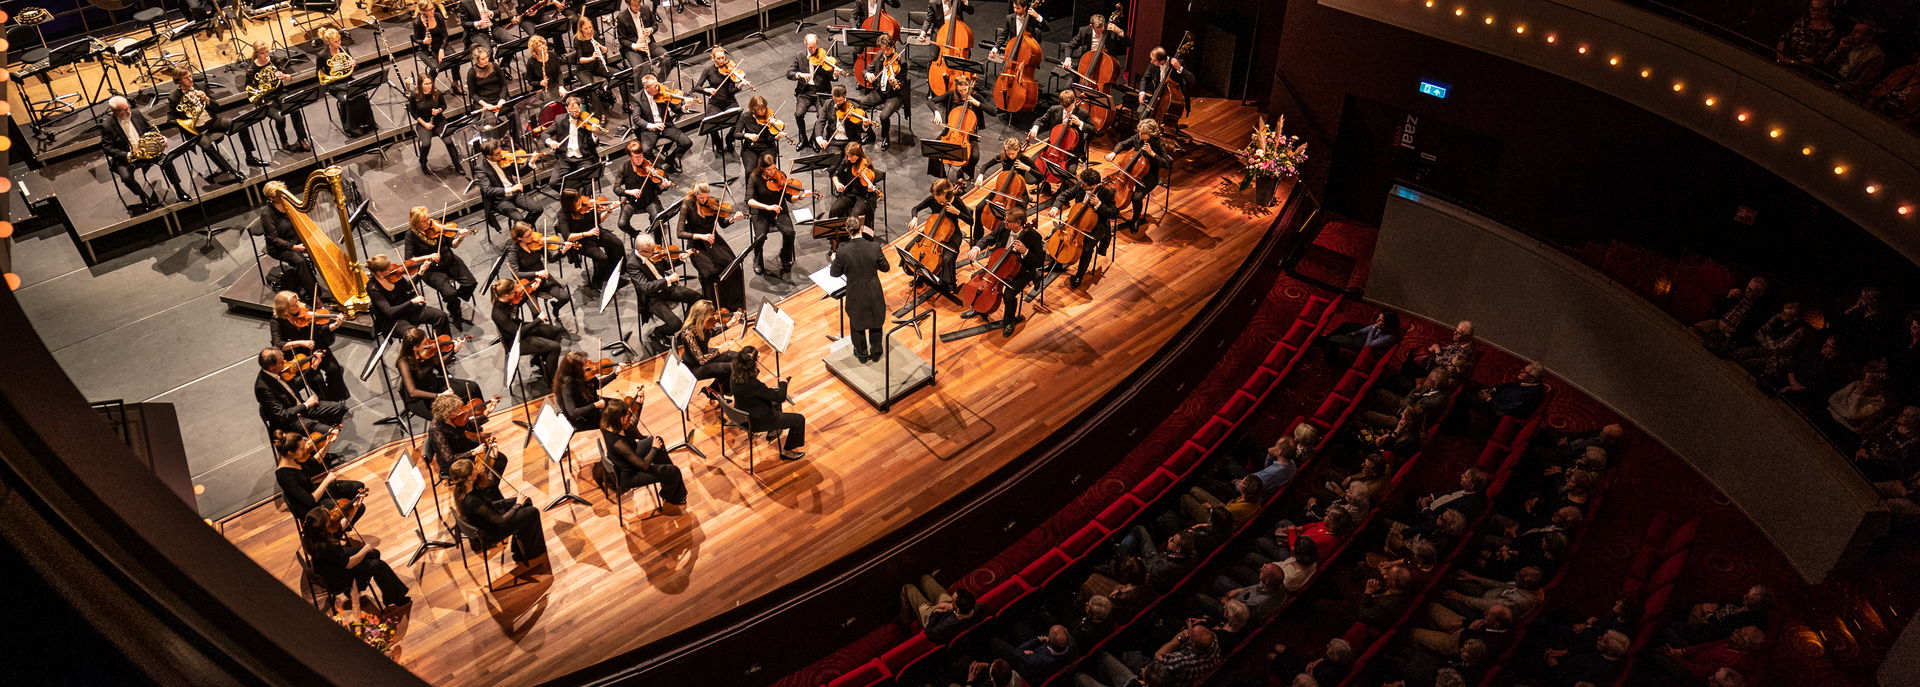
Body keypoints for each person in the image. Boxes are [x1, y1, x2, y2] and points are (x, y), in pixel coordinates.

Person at [299, 506, 411, 607]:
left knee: (374, 553)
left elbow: (339, 528)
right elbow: (348, 564)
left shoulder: (312, 534)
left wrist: (354, 508)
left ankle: (357, 588)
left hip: (333, 564)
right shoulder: (323, 546)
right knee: (378, 565)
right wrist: (365, 549)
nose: (332, 517)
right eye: (329, 518)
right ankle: (395, 598)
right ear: (324, 526)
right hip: (337, 578)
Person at [963, 205, 1047, 337]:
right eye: (1005, 219)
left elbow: (1039, 261)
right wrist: (977, 248)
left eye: (1008, 221)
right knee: (979, 281)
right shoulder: (1004, 227)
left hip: (1021, 271)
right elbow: (989, 238)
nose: (1004, 222)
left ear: (1018, 223)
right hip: (998, 266)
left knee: (1008, 295)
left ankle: (1009, 322)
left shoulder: (1033, 236)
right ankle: (979, 308)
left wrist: (1025, 251)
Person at [449, 457, 549, 564]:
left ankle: (520, 545)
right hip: (491, 532)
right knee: (532, 512)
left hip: (486, 518)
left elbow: (489, 492)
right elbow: (500, 521)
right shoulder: (472, 501)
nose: (476, 470)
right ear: (469, 477)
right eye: (474, 469)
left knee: (527, 501)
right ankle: (530, 552)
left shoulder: (461, 490)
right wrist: (518, 504)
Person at [600, 396, 688, 514]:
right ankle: (672, 495)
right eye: (627, 416)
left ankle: (668, 480)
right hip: (630, 475)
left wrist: (639, 406)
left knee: (657, 440)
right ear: (620, 419)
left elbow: (632, 426)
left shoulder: (608, 425)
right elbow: (644, 466)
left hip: (629, 460)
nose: (629, 418)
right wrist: (654, 448)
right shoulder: (618, 443)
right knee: (674, 471)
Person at [99, 96, 190, 209]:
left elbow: (149, 129)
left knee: (167, 161)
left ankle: (179, 189)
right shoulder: (107, 126)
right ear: (115, 112)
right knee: (126, 177)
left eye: (128, 107)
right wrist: (128, 155)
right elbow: (107, 148)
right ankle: (143, 196)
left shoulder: (135, 113)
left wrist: (161, 138)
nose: (128, 111)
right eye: (124, 110)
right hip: (127, 158)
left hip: (147, 151)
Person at [167, 70, 254, 179]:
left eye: (190, 76)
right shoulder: (174, 97)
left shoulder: (200, 86)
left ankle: (250, 157)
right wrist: (185, 122)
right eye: (186, 78)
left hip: (211, 121)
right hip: (196, 130)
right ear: (178, 80)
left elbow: (216, 107)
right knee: (206, 145)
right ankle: (229, 170)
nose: (190, 79)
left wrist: (207, 99)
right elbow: (170, 120)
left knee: (240, 123)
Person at [1046, 166, 1122, 289]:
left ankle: (1079, 276)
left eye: (1085, 185)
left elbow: (1114, 213)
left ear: (1094, 185)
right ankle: (1055, 263)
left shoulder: (1106, 193)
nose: (1082, 186)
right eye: (1082, 182)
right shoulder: (1080, 186)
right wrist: (1055, 207)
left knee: (1086, 249)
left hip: (1096, 227)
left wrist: (1099, 205)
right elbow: (1064, 195)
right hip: (1076, 222)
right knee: (1057, 233)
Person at [624, 234, 703, 351]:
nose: (655, 252)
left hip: (667, 288)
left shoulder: (652, 253)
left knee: (697, 298)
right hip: (653, 298)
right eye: (651, 251)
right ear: (641, 251)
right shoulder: (632, 264)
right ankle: (657, 333)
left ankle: (687, 328)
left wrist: (680, 258)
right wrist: (667, 279)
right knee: (675, 324)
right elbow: (646, 287)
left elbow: (664, 263)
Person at [678, 182, 749, 311]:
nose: (704, 201)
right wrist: (701, 236)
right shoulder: (687, 205)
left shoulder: (713, 202)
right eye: (701, 198)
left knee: (733, 267)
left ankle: (733, 305)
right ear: (695, 195)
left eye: (706, 197)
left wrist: (734, 219)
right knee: (711, 274)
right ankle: (715, 308)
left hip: (713, 240)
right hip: (697, 246)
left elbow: (723, 224)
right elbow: (680, 232)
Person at [269, 291, 351, 402]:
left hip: (316, 347)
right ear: (285, 309)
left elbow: (321, 329)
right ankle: (327, 402)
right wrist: (302, 342)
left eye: (297, 301)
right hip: (298, 356)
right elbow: (278, 344)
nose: (298, 305)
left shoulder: (305, 309)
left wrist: (336, 325)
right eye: (293, 305)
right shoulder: (276, 321)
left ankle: (336, 399)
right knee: (316, 379)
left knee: (334, 369)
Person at [404, 207, 478, 326]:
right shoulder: (410, 235)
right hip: (431, 270)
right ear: (416, 223)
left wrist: (461, 237)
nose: (429, 222)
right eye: (424, 221)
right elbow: (409, 260)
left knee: (471, 283)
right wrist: (429, 256)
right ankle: (454, 310)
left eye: (428, 218)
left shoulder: (436, 225)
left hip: (450, 261)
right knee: (449, 294)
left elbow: (453, 245)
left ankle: (454, 299)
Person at [731, 345, 808, 460]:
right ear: (753, 362)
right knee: (799, 419)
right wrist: (784, 383)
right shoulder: (753, 384)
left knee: (773, 394)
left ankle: (773, 431)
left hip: (741, 414)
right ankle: (787, 451)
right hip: (756, 421)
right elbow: (780, 397)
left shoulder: (734, 375)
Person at [273, 428, 363, 525]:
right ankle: (335, 529)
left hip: (316, 492)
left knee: (358, 487)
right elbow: (310, 501)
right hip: (312, 509)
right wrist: (326, 481)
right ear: (290, 452)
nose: (306, 449)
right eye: (302, 448)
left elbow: (314, 462)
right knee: (358, 508)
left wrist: (328, 442)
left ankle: (342, 517)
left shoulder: (295, 458)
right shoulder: (284, 476)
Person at [833, 222, 893, 363]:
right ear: (861, 228)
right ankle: (877, 352)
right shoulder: (874, 246)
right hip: (873, 290)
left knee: (856, 322)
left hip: (855, 291)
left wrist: (834, 261)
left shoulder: (842, 251)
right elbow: (886, 268)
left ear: (848, 230)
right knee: (876, 321)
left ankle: (862, 354)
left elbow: (835, 273)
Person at [256, 347, 350, 434]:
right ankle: (318, 445)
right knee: (328, 432)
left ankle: (321, 433)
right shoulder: (263, 388)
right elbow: (282, 416)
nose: (285, 362)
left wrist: (313, 367)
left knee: (340, 408)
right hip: (291, 421)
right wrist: (306, 404)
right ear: (271, 367)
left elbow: (296, 386)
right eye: (281, 362)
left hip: (302, 408)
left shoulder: (278, 372)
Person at [395, 326, 482, 419]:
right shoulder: (403, 363)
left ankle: (481, 416)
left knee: (473, 387)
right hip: (420, 398)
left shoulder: (426, 353)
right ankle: (463, 425)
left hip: (435, 384)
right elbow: (413, 392)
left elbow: (438, 362)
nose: (428, 345)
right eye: (424, 343)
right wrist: (440, 395)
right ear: (415, 348)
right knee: (443, 418)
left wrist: (454, 351)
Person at [1105, 118, 1174, 233]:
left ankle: (1135, 220)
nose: (1140, 134)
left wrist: (1152, 154)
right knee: (1110, 184)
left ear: (1151, 134)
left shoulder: (1158, 143)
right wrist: (1114, 152)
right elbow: (1123, 143)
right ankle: (1112, 209)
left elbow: (1166, 163)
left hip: (1149, 176)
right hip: (1131, 171)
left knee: (1136, 197)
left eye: (1143, 133)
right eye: (1139, 132)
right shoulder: (1138, 136)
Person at [490, 278, 568, 378]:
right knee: (556, 347)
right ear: (506, 295)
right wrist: (538, 320)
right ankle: (552, 379)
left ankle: (541, 359)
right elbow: (518, 333)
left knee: (554, 331)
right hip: (515, 341)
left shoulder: (509, 300)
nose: (517, 291)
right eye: (514, 291)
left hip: (521, 328)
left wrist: (532, 288)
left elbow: (517, 304)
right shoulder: (498, 313)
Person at [908, 178, 975, 290]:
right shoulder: (933, 199)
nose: (937, 201)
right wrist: (914, 218)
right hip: (931, 233)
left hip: (952, 235)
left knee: (947, 258)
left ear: (947, 195)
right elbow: (916, 208)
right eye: (937, 199)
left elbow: (971, 221)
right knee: (909, 248)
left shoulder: (957, 202)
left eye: (941, 201)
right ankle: (921, 275)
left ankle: (947, 284)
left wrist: (957, 212)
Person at [245, 41, 312, 153]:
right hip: (266, 99)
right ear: (256, 53)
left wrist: (284, 76)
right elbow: (248, 87)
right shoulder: (251, 69)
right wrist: (259, 91)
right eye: (262, 53)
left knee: (295, 109)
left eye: (267, 51)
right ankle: (284, 140)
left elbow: (290, 78)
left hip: (280, 93)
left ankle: (302, 138)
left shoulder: (274, 60)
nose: (266, 55)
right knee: (280, 118)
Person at [557, 188, 626, 292]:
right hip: (580, 240)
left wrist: (609, 210)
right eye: (577, 200)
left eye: (579, 198)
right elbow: (567, 236)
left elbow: (598, 220)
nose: (581, 200)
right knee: (602, 258)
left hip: (595, 232)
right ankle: (598, 282)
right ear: (570, 203)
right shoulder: (563, 214)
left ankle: (614, 273)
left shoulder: (587, 206)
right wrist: (586, 234)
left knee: (617, 244)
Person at [746, 154, 802, 276]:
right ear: (761, 168)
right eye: (769, 170)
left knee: (789, 233)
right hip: (761, 211)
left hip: (779, 209)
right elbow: (749, 200)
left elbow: (789, 197)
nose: (772, 172)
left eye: (774, 168)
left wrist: (800, 196)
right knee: (760, 237)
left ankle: (785, 257)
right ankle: (757, 259)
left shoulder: (780, 175)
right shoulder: (754, 177)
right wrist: (767, 207)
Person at [365, 254, 452, 334]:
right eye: (388, 269)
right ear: (380, 273)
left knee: (441, 316)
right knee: (415, 336)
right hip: (394, 320)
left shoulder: (394, 274)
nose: (391, 269)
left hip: (408, 310)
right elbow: (389, 312)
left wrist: (420, 273)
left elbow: (408, 287)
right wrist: (412, 301)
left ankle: (441, 347)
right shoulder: (373, 288)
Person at [426, 392, 505, 478]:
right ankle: (483, 486)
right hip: (455, 463)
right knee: (485, 473)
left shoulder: (455, 418)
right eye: (457, 410)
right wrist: (473, 452)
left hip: (465, 446)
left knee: (501, 459)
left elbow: (469, 426)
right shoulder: (436, 429)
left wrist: (486, 413)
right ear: (449, 412)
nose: (460, 411)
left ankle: (490, 485)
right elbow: (449, 458)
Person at [928, 71, 989, 180]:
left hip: (968, 134)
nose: (963, 93)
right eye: (960, 90)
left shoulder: (976, 96)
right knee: (933, 151)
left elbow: (993, 111)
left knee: (975, 156)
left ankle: (963, 171)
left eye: (965, 90)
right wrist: (936, 112)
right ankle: (942, 177)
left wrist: (976, 103)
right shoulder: (952, 94)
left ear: (969, 86)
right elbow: (931, 102)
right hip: (950, 131)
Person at [319, 28, 375, 138]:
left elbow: (356, 68)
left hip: (348, 80)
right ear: (329, 42)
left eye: (339, 40)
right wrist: (331, 77)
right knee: (345, 100)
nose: (339, 43)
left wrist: (354, 64)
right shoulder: (322, 55)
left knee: (362, 94)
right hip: (335, 85)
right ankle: (351, 128)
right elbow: (319, 72)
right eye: (335, 41)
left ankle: (367, 123)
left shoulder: (344, 49)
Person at [677, 300, 740, 397]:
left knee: (739, 358)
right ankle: (719, 391)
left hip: (706, 355)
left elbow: (711, 333)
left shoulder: (703, 324)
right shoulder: (688, 332)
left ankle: (713, 389)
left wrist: (728, 324)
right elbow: (701, 360)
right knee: (734, 367)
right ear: (702, 317)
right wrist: (719, 351)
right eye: (711, 315)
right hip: (695, 367)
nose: (713, 317)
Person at [860, 35, 912, 150]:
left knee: (883, 116)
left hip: (894, 96)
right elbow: (866, 70)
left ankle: (885, 137)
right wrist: (868, 74)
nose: (885, 52)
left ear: (892, 46)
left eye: (886, 49)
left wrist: (895, 83)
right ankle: (869, 134)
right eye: (882, 49)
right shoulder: (880, 55)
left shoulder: (901, 62)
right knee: (861, 105)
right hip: (879, 92)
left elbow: (902, 83)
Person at [634, 74, 694, 173]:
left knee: (687, 142)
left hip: (666, 125)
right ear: (646, 87)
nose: (658, 88)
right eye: (654, 87)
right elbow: (636, 118)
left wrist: (685, 106)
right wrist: (652, 126)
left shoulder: (663, 92)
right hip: (649, 130)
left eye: (658, 85)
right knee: (645, 150)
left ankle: (670, 159)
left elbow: (676, 108)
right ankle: (658, 169)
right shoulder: (637, 98)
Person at [477, 140, 547, 224]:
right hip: (500, 199)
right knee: (519, 218)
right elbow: (488, 190)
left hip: (515, 194)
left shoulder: (505, 158)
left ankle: (524, 231)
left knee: (537, 209)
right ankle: (522, 232)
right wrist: (511, 189)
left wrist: (531, 162)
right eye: (497, 154)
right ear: (488, 156)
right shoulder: (481, 169)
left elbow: (520, 173)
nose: (501, 154)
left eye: (500, 151)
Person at [618, 139, 677, 239]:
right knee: (622, 224)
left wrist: (663, 185)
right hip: (632, 202)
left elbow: (658, 187)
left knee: (657, 221)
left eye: (641, 155)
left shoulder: (651, 164)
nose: (640, 159)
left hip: (650, 200)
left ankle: (658, 245)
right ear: (630, 157)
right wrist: (628, 191)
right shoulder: (624, 167)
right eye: (636, 157)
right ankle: (637, 235)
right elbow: (616, 188)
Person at [788, 34, 838, 152]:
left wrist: (835, 74)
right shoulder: (799, 56)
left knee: (821, 115)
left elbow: (831, 77)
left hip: (821, 92)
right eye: (810, 47)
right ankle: (803, 137)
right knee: (798, 114)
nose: (812, 50)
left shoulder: (824, 56)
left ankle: (815, 138)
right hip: (805, 92)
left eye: (814, 47)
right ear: (805, 44)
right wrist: (799, 75)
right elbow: (789, 73)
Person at [509, 222, 574, 308]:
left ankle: (556, 308)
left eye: (531, 233)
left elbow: (551, 259)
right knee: (536, 313)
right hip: (528, 283)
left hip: (543, 278)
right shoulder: (514, 251)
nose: (532, 237)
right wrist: (536, 273)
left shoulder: (538, 243)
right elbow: (516, 274)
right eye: (527, 236)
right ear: (519, 238)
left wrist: (563, 251)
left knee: (565, 297)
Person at [696, 47, 750, 152]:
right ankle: (719, 144)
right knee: (710, 123)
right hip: (715, 103)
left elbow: (730, 91)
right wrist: (707, 90)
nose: (721, 61)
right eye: (718, 59)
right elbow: (697, 87)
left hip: (729, 101)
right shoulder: (708, 70)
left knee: (740, 121)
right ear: (713, 58)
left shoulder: (730, 69)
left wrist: (739, 87)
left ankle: (729, 139)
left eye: (723, 58)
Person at [408, 75, 463, 176]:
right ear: (420, 85)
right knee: (426, 144)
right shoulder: (414, 96)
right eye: (426, 84)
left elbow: (444, 105)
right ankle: (423, 164)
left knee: (449, 142)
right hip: (424, 124)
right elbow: (413, 113)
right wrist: (425, 124)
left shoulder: (437, 93)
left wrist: (438, 110)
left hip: (439, 122)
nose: (429, 86)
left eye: (430, 83)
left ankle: (457, 165)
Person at [545, 95, 601, 190]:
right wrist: (549, 141)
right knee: (553, 182)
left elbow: (593, 145)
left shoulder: (587, 120)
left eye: (577, 110)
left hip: (584, 158)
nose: (575, 114)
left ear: (580, 107)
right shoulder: (560, 119)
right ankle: (572, 196)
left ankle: (585, 201)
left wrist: (595, 134)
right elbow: (545, 133)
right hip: (565, 159)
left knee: (588, 181)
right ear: (567, 108)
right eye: (571, 111)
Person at [1822, 19, 1887, 97]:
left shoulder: (1875, 55)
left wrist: (1838, 86)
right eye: (1854, 30)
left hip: (1846, 90)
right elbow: (1826, 64)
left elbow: (1863, 82)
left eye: (1858, 32)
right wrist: (1839, 49)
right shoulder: (1848, 43)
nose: (1852, 34)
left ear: (1868, 37)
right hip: (1830, 77)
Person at [831, 141, 884, 234]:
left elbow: (867, 187)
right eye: (847, 156)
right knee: (834, 209)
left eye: (851, 156)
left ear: (858, 155)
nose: (848, 158)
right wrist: (837, 183)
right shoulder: (847, 161)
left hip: (864, 196)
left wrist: (869, 188)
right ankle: (836, 236)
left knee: (853, 218)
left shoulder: (867, 165)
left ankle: (854, 238)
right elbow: (835, 174)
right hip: (850, 193)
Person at [1317, 311, 1400, 367]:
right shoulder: (1382, 326)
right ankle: (1325, 340)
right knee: (1346, 325)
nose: (1377, 320)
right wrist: (1357, 332)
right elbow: (1369, 328)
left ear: (1387, 324)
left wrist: (1374, 329)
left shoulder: (1389, 338)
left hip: (1365, 345)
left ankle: (1332, 359)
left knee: (1333, 339)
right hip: (1368, 336)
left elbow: (1368, 345)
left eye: (1380, 320)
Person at [1135, 46, 1193, 125]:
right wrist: (1142, 93)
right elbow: (1145, 78)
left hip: (1172, 99)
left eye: (1154, 60)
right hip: (1158, 96)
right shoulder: (1153, 65)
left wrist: (1179, 68)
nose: (1151, 62)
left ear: (1162, 61)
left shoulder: (1178, 63)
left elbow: (1191, 79)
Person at [553, 351, 608, 431]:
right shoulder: (567, 386)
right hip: (585, 419)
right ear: (575, 370)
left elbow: (598, 384)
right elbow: (573, 412)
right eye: (583, 365)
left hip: (590, 405)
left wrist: (616, 373)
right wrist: (596, 405)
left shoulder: (582, 376)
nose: (587, 367)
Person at [1153, 623, 1220, 687]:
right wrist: (1191, 631)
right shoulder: (1213, 640)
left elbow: (1157, 656)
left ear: (1192, 644)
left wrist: (1180, 637)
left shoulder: (1182, 662)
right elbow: (1202, 637)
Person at [732, 95, 786, 175]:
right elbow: (736, 134)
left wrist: (776, 137)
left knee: (767, 169)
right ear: (753, 109)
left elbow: (770, 137)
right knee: (750, 171)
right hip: (750, 149)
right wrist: (747, 135)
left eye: (763, 108)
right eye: (758, 109)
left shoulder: (769, 115)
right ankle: (751, 187)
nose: (762, 111)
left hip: (767, 147)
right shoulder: (745, 117)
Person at [1775, 0, 1838, 66]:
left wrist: (1792, 62)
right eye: (1810, 7)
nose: (1811, 10)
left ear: (1825, 11)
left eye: (1815, 9)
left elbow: (1818, 59)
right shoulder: (1803, 21)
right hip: (1785, 57)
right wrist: (1779, 54)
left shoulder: (1829, 34)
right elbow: (1785, 37)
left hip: (1802, 68)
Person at [412, 0, 457, 94]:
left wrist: (442, 49)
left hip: (441, 45)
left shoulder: (438, 16)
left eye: (433, 8)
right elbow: (415, 39)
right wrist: (424, 41)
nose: (432, 11)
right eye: (429, 10)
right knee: (435, 67)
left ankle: (455, 83)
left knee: (455, 59)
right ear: (422, 11)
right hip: (425, 49)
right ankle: (428, 87)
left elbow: (445, 35)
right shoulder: (417, 22)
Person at [614, 0, 666, 80]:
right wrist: (636, 46)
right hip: (633, 49)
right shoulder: (622, 18)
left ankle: (659, 82)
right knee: (639, 69)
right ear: (628, 4)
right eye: (634, 5)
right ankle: (642, 90)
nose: (637, 7)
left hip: (648, 44)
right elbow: (622, 39)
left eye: (639, 4)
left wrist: (650, 30)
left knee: (667, 58)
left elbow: (655, 25)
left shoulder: (645, 9)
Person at [1062, 11, 1128, 73]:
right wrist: (1068, 59)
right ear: (1091, 26)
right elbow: (1069, 46)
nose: (1100, 32)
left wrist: (1119, 31)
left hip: (1106, 65)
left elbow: (1128, 43)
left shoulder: (1110, 31)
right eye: (1097, 31)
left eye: (1102, 30)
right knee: (1068, 85)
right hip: (1087, 64)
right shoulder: (1084, 31)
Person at [1474, 363, 1548, 419]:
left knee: (1466, 394)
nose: (1521, 371)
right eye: (1523, 369)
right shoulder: (1529, 382)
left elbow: (1509, 409)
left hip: (1501, 413)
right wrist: (1492, 390)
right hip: (1496, 399)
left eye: (1524, 372)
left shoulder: (1533, 393)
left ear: (1532, 379)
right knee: (1472, 384)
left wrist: (1488, 399)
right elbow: (1507, 385)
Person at [815, 85, 871, 151]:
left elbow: (860, 129)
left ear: (845, 96)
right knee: (833, 159)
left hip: (851, 141)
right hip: (834, 141)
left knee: (851, 159)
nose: (837, 103)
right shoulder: (828, 104)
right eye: (835, 100)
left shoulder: (855, 106)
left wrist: (865, 125)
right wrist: (820, 138)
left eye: (840, 100)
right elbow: (821, 121)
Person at [525, 34, 565, 99]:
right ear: (535, 50)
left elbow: (559, 73)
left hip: (555, 85)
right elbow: (530, 81)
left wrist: (561, 86)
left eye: (543, 44)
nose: (543, 47)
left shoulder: (552, 55)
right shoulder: (531, 62)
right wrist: (540, 83)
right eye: (539, 46)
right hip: (541, 89)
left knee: (567, 99)